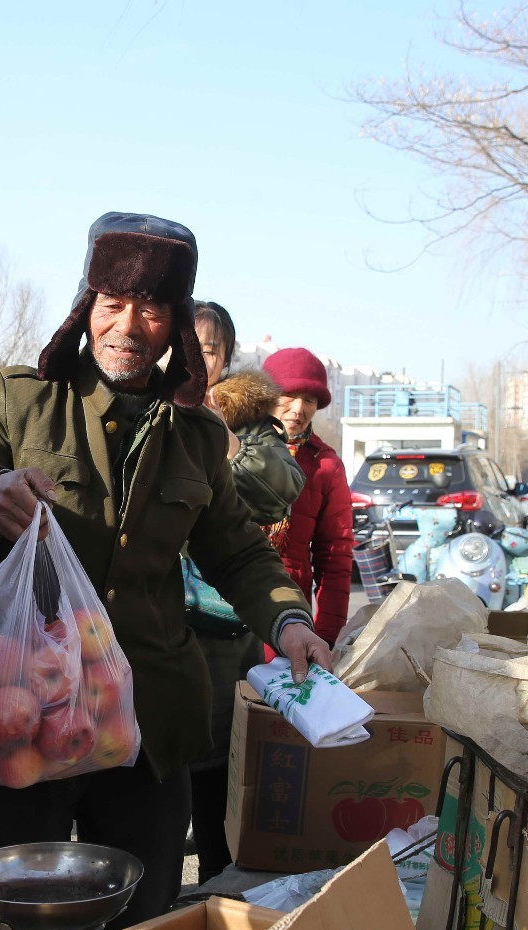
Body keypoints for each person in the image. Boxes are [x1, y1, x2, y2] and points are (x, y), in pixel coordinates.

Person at [0, 212, 333, 930]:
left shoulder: (197, 434)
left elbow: (237, 551)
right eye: (113, 303)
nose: (128, 325)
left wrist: (290, 620)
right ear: (86, 305)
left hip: (146, 724)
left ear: (174, 324)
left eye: (152, 308)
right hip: (20, 712)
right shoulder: (19, 398)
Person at [186, 301, 304, 882]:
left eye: (207, 349)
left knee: (214, 773)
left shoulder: (248, 419)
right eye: (185, 342)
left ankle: (213, 902)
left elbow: (277, 488)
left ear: (226, 358)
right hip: (146, 624)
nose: (194, 357)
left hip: (220, 622)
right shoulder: (145, 405)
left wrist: (224, 441)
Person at [265, 348, 355, 645]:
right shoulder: (228, 445)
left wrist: (327, 637)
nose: (298, 409)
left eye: (310, 399)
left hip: (288, 619)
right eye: (288, 395)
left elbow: (335, 558)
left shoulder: (325, 465)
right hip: (219, 611)